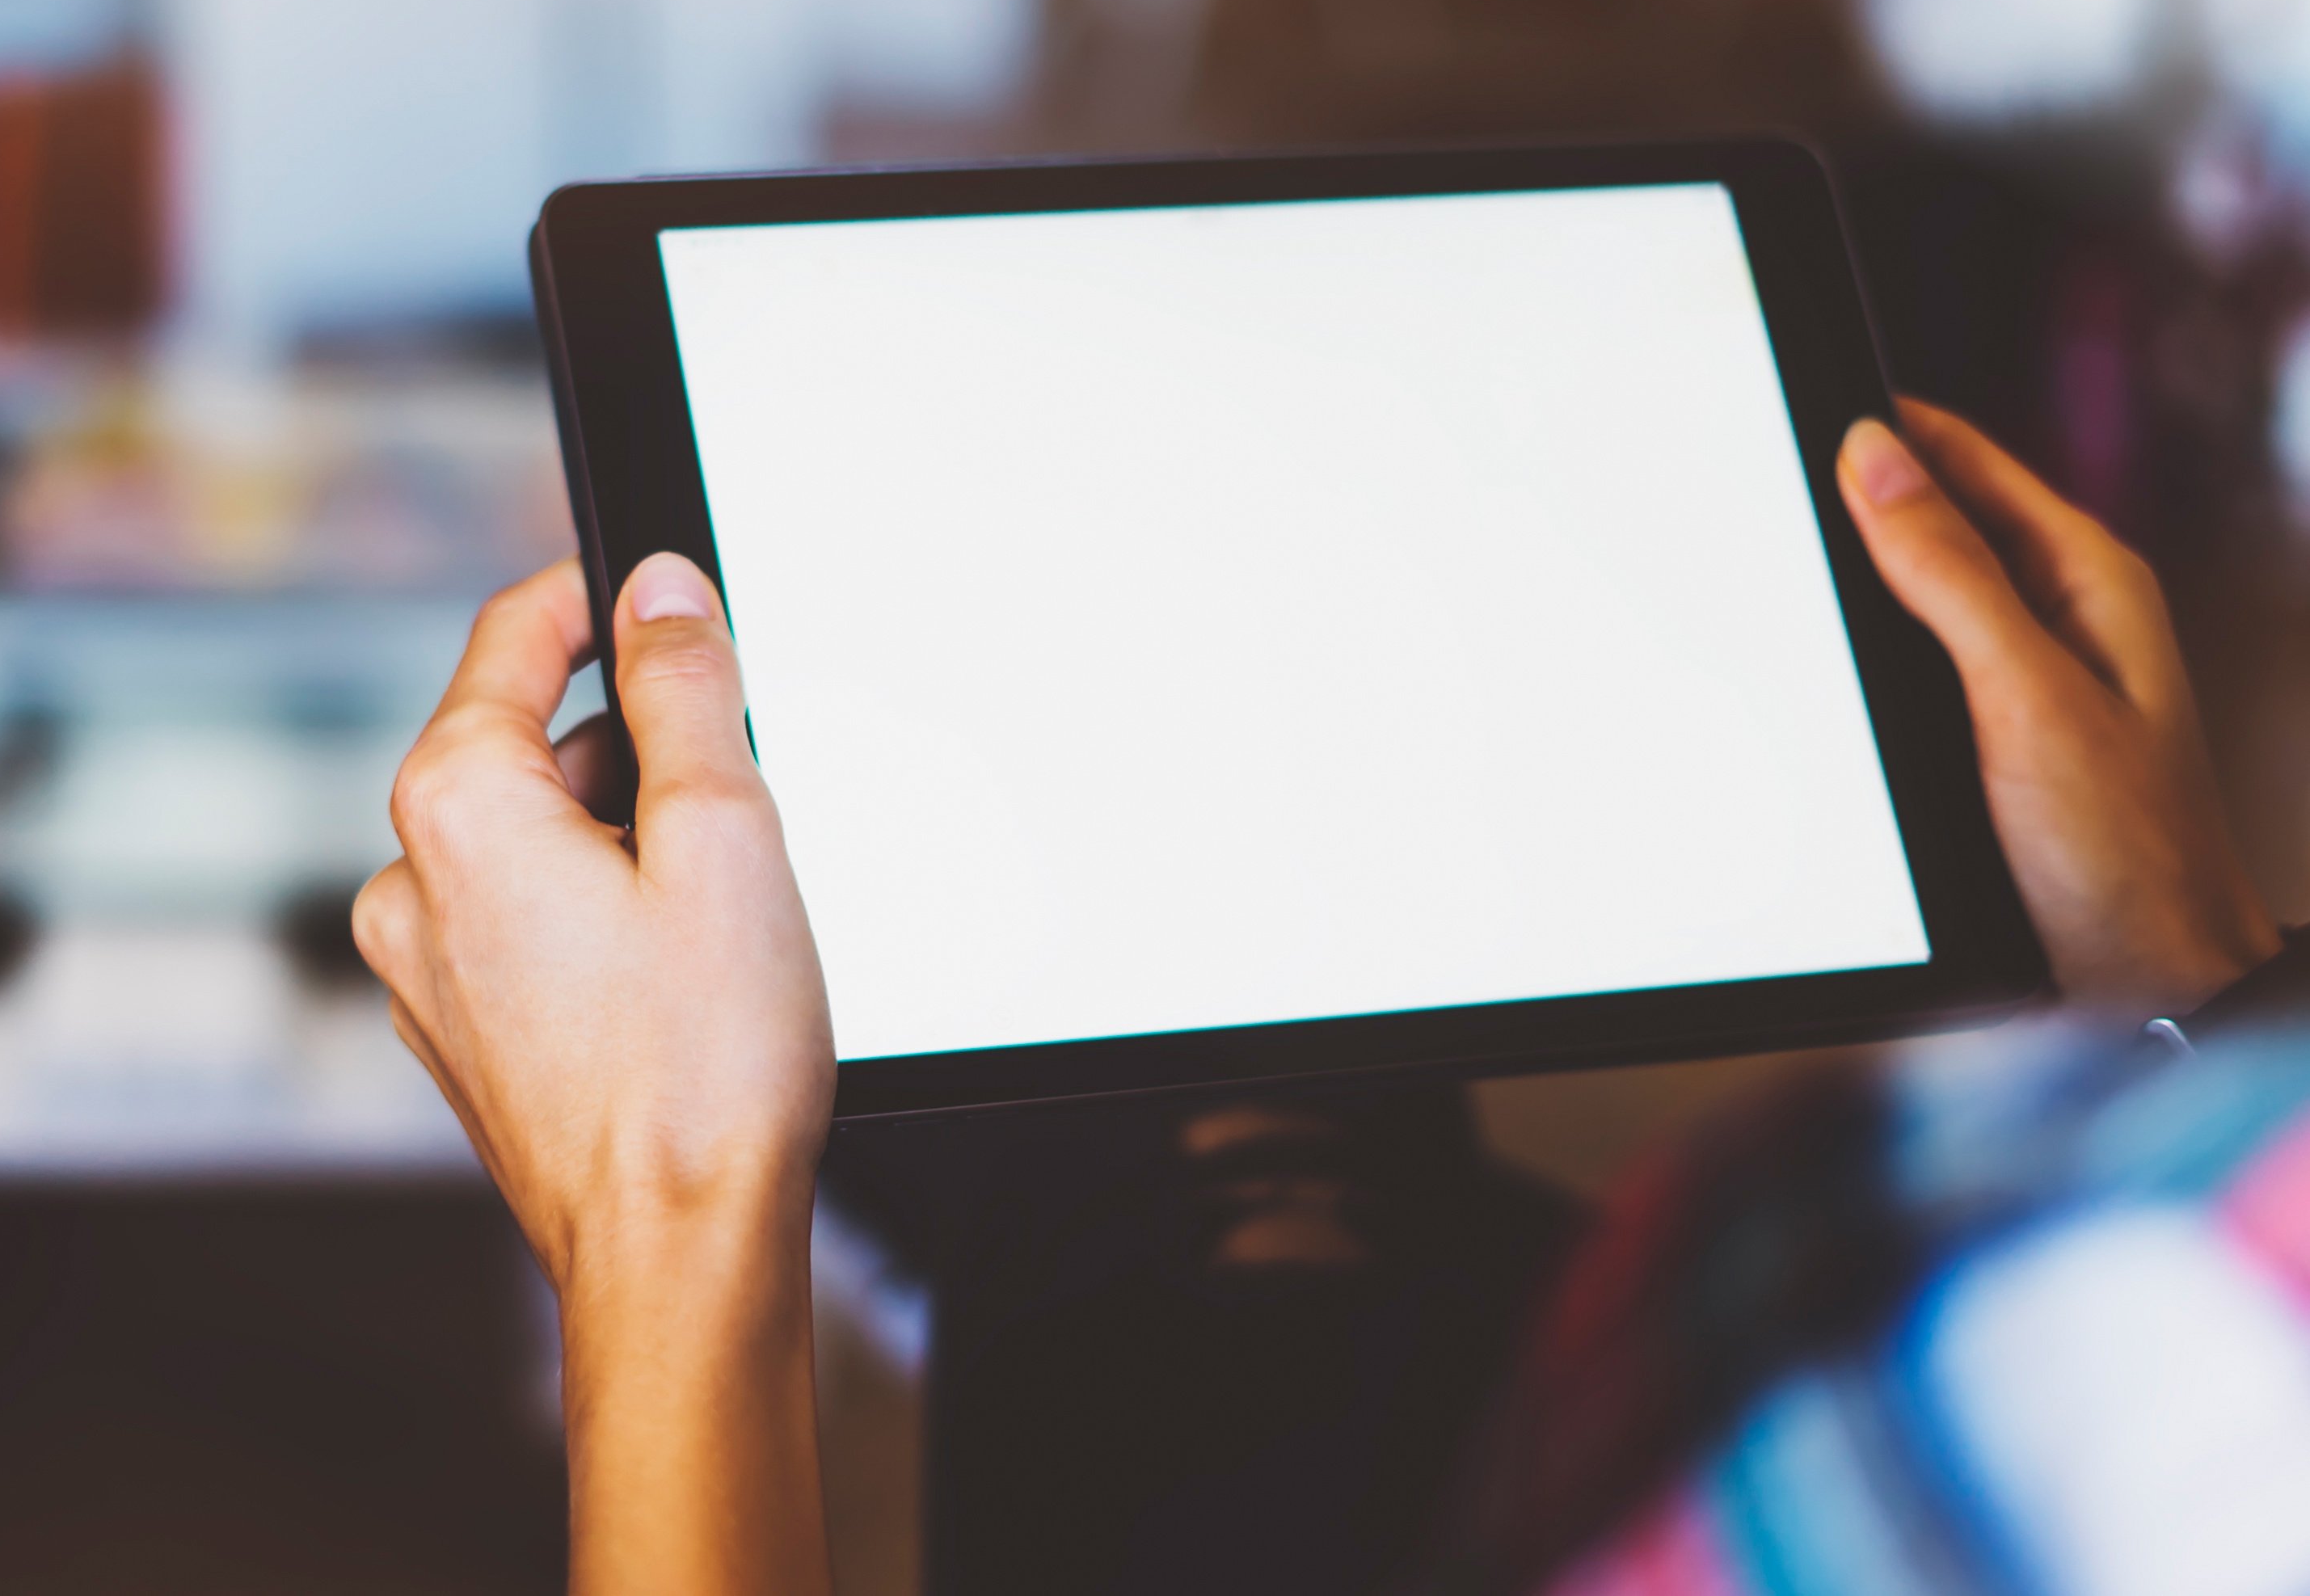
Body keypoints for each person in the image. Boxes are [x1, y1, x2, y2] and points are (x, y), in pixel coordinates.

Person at [353, 400, 2299, 1594]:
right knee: (1261, 1154)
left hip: (1481, 1431)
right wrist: (2184, 993)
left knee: (1114, 1195)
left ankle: (1012, 1149)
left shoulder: (2124, 1382)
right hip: (1518, 1364)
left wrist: (670, 1210)